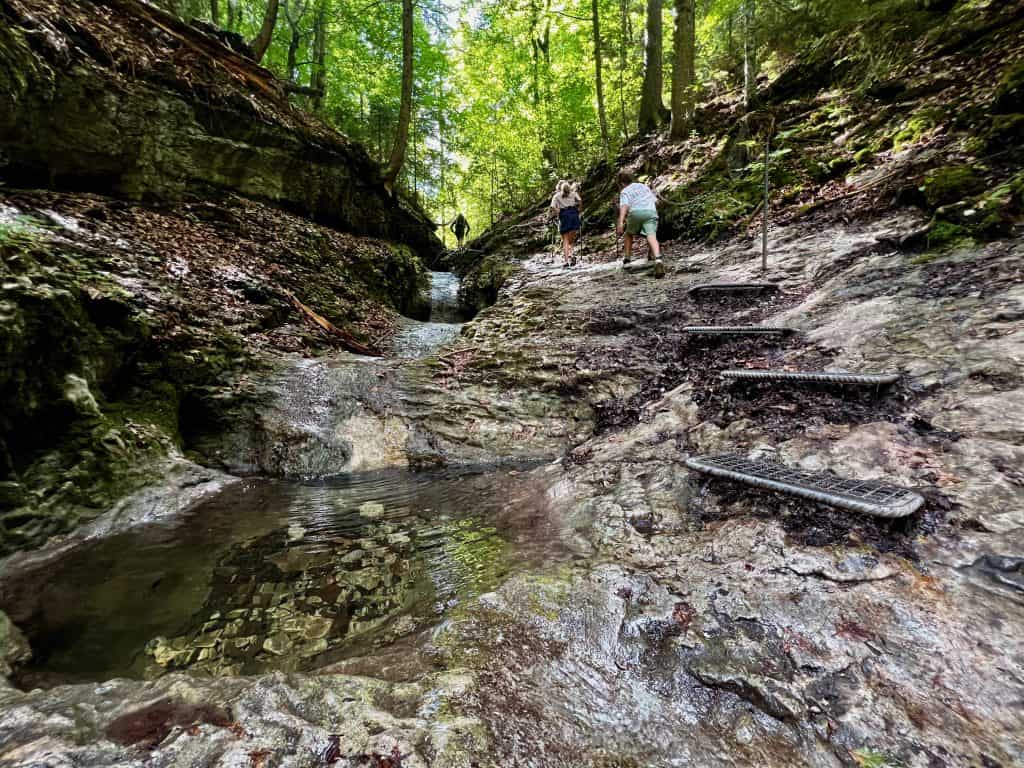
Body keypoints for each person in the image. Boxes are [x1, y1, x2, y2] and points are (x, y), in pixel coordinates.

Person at [615, 169, 661, 266]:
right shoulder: (644, 186)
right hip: (650, 212)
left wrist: (620, 222)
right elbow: (657, 202)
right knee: (651, 235)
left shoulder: (625, 191)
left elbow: (624, 206)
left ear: (622, 183)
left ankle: (627, 259)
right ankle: (657, 258)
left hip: (636, 213)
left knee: (628, 234)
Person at [550, 180, 582, 267]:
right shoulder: (573, 193)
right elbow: (580, 201)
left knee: (565, 240)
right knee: (571, 239)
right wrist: (578, 209)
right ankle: (572, 255)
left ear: (559, 188)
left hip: (564, 216)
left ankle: (566, 261)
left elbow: (552, 207)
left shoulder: (556, 196)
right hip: (574, 215)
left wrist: (558, 212)